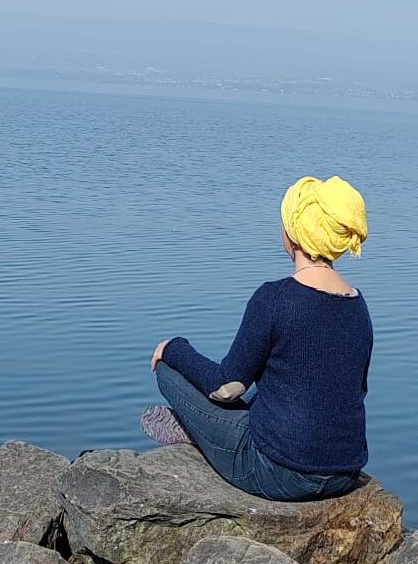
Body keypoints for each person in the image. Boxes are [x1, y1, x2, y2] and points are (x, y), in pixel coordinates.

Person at [142, 175, 372, 502]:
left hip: (277, 472)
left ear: (291, 234)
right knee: (273, 390)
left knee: (168, 372)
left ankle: (198, 432)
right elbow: (355, 389)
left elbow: (226, 387)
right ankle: (205, 432)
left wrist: (175, 348)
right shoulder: (357, 304)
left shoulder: (274, 298)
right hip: (344, 473)